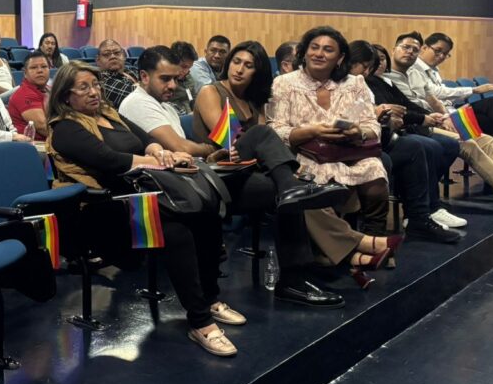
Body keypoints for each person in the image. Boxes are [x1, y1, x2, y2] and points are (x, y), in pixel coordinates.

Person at [121, 44, 347, 307]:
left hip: (208, 175)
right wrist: (210, 152)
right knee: (269, 155)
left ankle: (296, 264)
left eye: (249, 65)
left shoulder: (167, 105)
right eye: (165, 79)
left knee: (285, 192)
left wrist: (209, 155)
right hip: (184, 186)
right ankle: (296, 274)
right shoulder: (142, 103)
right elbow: (189, 147)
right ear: (144, 76)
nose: (173, 85)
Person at [46, 61, 245, 356]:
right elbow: (111, 160)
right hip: (100, 209)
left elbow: (146, 140)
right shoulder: (65, 128)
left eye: (96, 85)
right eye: (83, 88)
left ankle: (210, 299)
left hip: (138, 198)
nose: (94, 92)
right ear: (65, 96)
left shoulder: (110, 115)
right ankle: (201, 321)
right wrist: (161, 160)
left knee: (203, 213)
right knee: (176, 230)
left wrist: (157, 150)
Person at [267, 26, 395, 288]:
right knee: (312, 186)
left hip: (348, 152)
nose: (319, 54)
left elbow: (372, 125)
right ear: (304, 53)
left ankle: (372, 240)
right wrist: (311, 131)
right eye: (314, 47)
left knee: (375, 174)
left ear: (340, 57)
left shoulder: (354, 83)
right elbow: (275, 130)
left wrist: (357, 132)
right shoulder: (285, 83)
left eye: (328, 49)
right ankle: (361, 252)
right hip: (305, 153)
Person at [351, 41, 464, 242]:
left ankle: (421, 215)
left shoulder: (377, 81)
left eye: (378, 61)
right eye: (367, 64)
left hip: (383, 135)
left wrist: (389, 119)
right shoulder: (353, 83)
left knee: (426, 146)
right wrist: (383, 117)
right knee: (417, 147)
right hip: (359, 142)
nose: (372, 68)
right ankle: (378, 231)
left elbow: (405, 105)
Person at [385, 31, 493, 198]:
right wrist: (435, 118)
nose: (410, 52)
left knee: (486, 139)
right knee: (469, 142)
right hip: (418, 124)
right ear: (393, 50)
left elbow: (432, 98)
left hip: (437, 118)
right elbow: (408, 109)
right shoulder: (386, 77)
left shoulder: (415, 73)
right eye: (406, 47)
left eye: (414, 49)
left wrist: (446, 117)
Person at [413, 32, 493, 147]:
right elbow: (436, 92)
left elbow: (445, 95)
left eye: (445, 54)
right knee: (492, 102)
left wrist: (456, 105)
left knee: (487, 121)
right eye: (438, 50)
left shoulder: (433, 70)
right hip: (438, 117)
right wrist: (474, 90)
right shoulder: (414, 68)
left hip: (450, 112)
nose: (441, 56)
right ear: (424, 48)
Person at [8, 52, 51, 139]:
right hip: (33, 145)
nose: (40, 71)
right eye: (34, 67)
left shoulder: (50, 89)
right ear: (25, 73)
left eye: (44, 67)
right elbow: (43, 128)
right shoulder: (23, 94)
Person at [95, 39, 138, 109]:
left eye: (117, 53)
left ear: (124, 56)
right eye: (106, 54)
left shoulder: (130, 70)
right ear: (98, 60)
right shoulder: (102, 81)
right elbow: (140, 97)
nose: (113, 56)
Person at [167, 41, 198, 116]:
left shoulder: (189, 78)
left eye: (189, 67)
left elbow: (195, 100)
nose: (186, 71)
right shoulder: (166, 81)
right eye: (183, 66)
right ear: (172, 61)